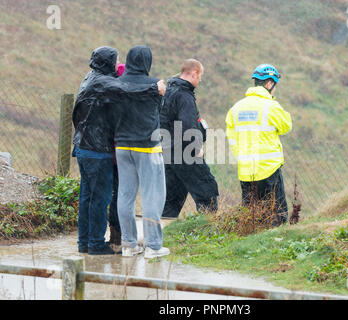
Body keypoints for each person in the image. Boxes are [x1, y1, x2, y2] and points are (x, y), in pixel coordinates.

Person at [72, 46, 163, 255]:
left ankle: (84, 242)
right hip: (97, 148)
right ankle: (95, 244)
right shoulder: (103, 82)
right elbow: (127, 89)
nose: (117, 64)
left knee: (87, 196)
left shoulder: (90, 77)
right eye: (115, 60)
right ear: (107, 62)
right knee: (100, 198)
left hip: (83, 146)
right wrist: (153, 89)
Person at [114, 45, 169, 259]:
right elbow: (160, 109)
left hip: (121, 146)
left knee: (125, 196)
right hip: (147, 146)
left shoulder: (116, 84)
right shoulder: (155, 85)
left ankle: (129, 244)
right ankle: (153, 246)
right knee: (152, 196)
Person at [226, 64, 292, 226]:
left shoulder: (235, 109)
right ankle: (275, 246)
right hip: (268, 170)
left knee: (251, 216)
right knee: (276, 215)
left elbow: (232, 138)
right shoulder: (270, 106)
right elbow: (286, 126)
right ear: (269, 84)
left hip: (246, 172)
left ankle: (251, 244)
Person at [160, 59, 219, 219]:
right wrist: (196, 148)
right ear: (194, 74)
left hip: (168, 153)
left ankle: (159, 236)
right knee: (208, 192)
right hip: (186, 153)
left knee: (171, 200)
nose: (200, 80)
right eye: (200, 76)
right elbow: (187, 127)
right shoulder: (184, 96)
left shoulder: (168, 92)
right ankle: (209, 233)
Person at [108, 63, 126, 249]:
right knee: (120, 195)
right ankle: (117, 239)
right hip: (120, 155)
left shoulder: (108, 94)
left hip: (108, 154)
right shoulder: (124, 98)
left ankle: (115, 237)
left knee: (113, 194)